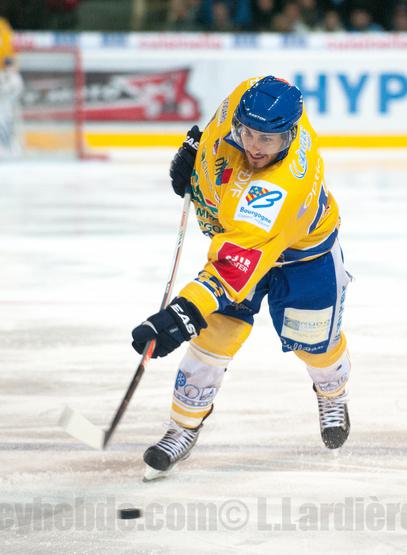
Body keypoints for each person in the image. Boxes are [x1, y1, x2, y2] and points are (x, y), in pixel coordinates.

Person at [131, 75, 352, 480]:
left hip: (303, 257)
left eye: (267, 139)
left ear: (289, 135)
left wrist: (182, 314)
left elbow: (230, 270)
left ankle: (332, 392)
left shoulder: (279, 189)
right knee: (214, 337)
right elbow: (216, 140)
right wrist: (196, 162)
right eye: (248, 133)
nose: (254, 146)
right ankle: (183, 427)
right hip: (247, 241)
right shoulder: (246, 99)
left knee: (314, 345)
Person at [0, 17, 24, 159]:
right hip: (7, 76)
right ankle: (10, 145)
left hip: (6, 77)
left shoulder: (2, 25)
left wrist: (9, 72)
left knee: (6, 112)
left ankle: (7, 145)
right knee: (6, 112)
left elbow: (9, 57)